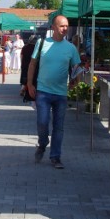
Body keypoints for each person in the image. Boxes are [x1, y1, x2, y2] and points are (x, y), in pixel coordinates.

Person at [27, 15, 81, 169]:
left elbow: (76, 67)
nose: (65, 29)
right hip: (43, 91)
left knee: (59, 127)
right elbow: (32, 64)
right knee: (42, 123)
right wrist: (29, 84)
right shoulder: (42, 43)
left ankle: (55, 157)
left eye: (67, 26)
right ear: (53, 27)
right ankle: (43, 143)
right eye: (62, 26)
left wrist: (76, 80)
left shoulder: (70, 48)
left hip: (61, 93)